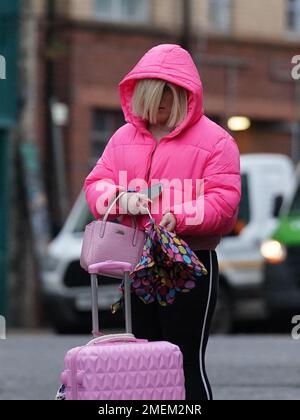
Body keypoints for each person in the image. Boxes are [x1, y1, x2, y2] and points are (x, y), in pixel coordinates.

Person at [83, 44, 241, 400]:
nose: (154, 111)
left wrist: (179, 216)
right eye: (148, 100)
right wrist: (120, 199)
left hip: (191, 264)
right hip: (136, 263)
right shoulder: (123, 138)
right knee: (141, 359)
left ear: (184, 95)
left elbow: (225, 203)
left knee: (184, 360)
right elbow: (96, 184)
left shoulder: (216, 142)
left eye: (163, 101)